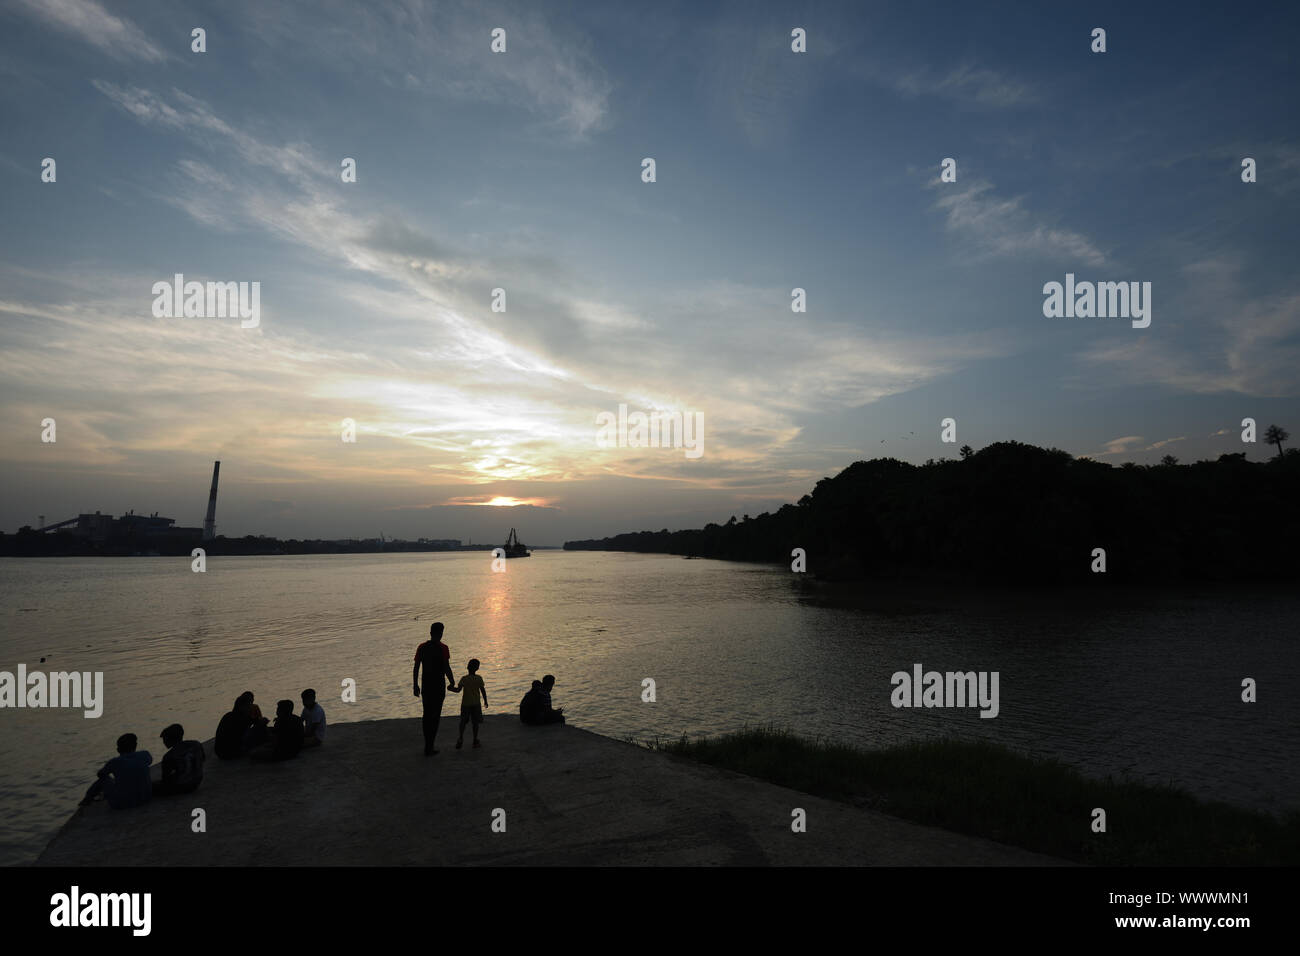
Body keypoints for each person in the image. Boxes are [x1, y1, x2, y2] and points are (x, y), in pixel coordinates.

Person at [413, 621, 456, 755]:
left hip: (426, 685)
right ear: (441, 633)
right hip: (438, 685)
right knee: (435, 716)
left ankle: (428, 745)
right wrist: (452, 681)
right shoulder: (443, 648)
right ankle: (430, 745)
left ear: (431, 633)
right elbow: (446, 667)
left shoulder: (422, 647)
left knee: (427, 715)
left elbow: (416, 668)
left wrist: (415, 685)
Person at [80, 734, 152, 809]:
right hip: (146, 799)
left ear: (118, 749)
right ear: (135, 745)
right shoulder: (145, 755)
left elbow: (100, 774)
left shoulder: (114, 762)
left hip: (122, 804)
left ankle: (87, 800)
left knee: (103, 780)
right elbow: (149, 762)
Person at [154, 724, 205, 796]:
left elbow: (165, 779)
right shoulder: (196, 744)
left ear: (170, 739)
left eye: (164, 739)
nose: (163, 742)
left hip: (182, 786)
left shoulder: (169, 756)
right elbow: (203, 759)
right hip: (197, 782)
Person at [454, 659, 488, 750]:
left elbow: (458, 690)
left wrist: (450, 688)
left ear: (468, 667)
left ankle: (460, 738)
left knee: (463, 722)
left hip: (465, 704)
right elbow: (483, 691)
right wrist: (485, 701)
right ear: (477, 668)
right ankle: (475, 740)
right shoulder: (479, 678)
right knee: (475, 723)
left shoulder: (464, 679)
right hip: (476, 704)